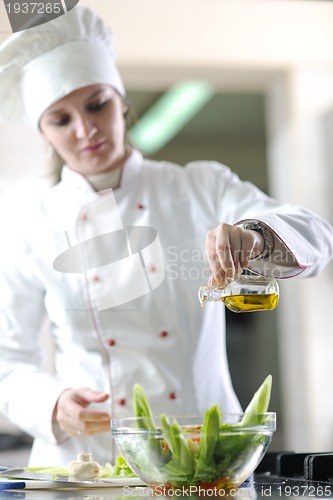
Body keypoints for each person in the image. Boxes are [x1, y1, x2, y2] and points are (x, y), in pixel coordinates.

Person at [0, 6, 332, 467]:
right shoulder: (28, 222)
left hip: (205, 455)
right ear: (45, 132)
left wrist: (255, 236)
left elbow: (318, 235)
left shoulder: (200, 186)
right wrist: (51, 403)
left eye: (96, 104)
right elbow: (8, 361)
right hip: (87, 462)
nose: (86, 129)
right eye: (61, 119)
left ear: (122, 101)